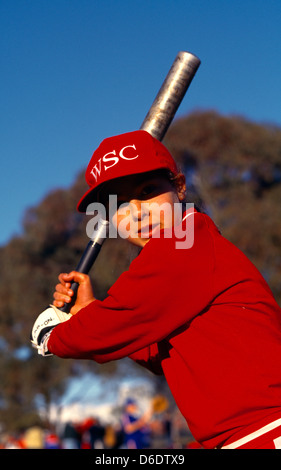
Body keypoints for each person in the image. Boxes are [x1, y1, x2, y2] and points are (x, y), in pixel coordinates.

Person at [32, 130, 281, 449]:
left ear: (179, 188)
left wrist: (55, 337)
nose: (137, 212)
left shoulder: (186, 240)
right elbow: (155, 349)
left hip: (265, 430)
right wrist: (89, 309)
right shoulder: (180, 255)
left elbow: (123, 318)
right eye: (119, 204)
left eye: (147, 190)